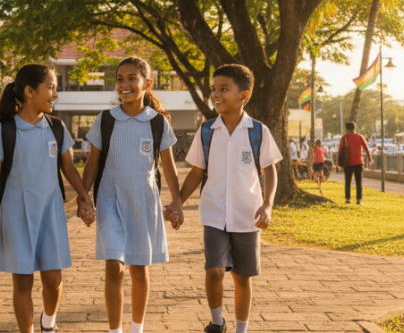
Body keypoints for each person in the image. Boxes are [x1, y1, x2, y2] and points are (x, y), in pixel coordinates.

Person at [0, 64, 96, 333]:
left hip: (50, 211)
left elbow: (68, 167)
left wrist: (84, 198)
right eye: (51, 87)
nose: (55, 93)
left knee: (53, 278)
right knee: (22, 281)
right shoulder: (6, 131)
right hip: (16, 212)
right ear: (30, 91)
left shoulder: (56, 128)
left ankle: (48, 322)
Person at [81, 56, 184, 333]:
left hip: (143, 201)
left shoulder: (158, 123)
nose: (124, 85)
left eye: (131, 79)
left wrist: (177, 202)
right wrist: (83, 198)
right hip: (109, 199)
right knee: (114, 267)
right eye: (119, 79)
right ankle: (115, 331)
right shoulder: (105, 120)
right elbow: (91, 165)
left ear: (147, 84)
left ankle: (136, 329)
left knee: (139, 270)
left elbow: (169, 169)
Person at [179, 64, 282, 333]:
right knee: (214, 270)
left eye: (224, 89)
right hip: (214, 213)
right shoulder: (207, 130)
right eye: (214, 89)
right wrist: (177, 201)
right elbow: (197, 171)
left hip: (247, 216)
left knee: (242, 277)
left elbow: (269, 169)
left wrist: (267, 204)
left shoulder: (257, 131)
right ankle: (216, 322)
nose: (216, 94)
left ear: (243, 96)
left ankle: (241, 329)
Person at [338, 122, 372, 205]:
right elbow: (366, 148)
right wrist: (370, 158)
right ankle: (359, 200)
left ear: (347, 129)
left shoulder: (344, 138)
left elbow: (340, 151)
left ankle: (347, 199)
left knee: (348, 181)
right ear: (354, 128)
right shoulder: (360, 137)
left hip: (348, 163)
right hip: (359, 163)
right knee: (359, 182)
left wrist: (338, 163)